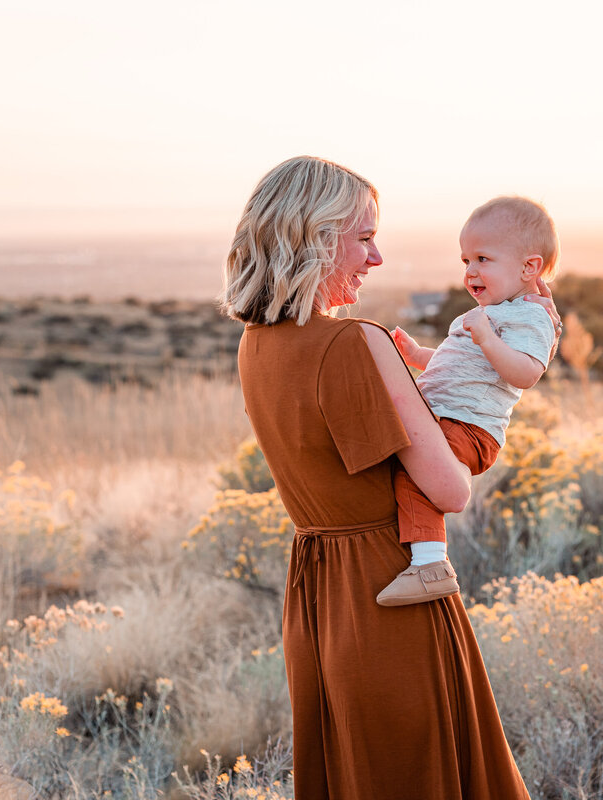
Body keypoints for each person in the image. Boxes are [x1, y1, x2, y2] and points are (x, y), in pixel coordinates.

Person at [220, 156, 552, 800]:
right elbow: (450, 489)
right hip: (392, 583)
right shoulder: (354, 342)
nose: (375, 259)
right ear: (316, 238)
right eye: (364, 238)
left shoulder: (255, 343)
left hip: (316, 594)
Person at [377, 196, 560, 606]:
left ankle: (430, 565)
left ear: (529, 267)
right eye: (465, 261)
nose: (471, 271)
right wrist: (417, 356)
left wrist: (488, 337)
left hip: (470, 427)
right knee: (398, 462)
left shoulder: (529, 318)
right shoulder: (483, 314)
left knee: (415, 471)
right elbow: (456, 367)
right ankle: (408, 551)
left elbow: (526, 373)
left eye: (483, 258)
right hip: (447, 416)